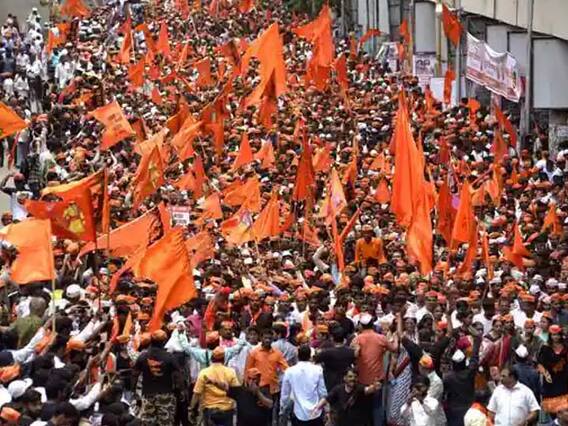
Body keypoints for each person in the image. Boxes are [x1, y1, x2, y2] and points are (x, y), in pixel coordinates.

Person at [351, 313, 398, 426]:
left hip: (362, 380)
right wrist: (396, 337)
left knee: (364, 408)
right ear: (372, 325)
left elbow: (353, 356)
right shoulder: (381, 338)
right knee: (377, 407)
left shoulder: (357, 339)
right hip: (377, 379)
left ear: (361, 326)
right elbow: (394, 348)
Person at [132, 330, 182, 426]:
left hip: (147, 394)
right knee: (165, 422)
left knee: (147, 422)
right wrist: (180, 392)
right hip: (166, 395)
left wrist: (134, 391)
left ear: (151, 340)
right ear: (164, 342)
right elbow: (178, 377)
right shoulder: (170, 357)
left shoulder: (143, 357)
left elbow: (134, 375)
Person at [313, 368, 381, 426]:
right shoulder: (338, 389)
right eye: (350, 376)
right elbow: (326, 399)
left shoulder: (359, 388)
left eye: (355, 377)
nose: (353, 379)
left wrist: (374, 387)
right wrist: (317, 408)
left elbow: (368, 390)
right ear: (345, 378)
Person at [191, 346, 240, 426]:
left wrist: (191, 409)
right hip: (227, 411)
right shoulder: (231, 372)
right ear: (223, 359)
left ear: (211, 359)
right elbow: (237, 391)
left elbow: (196, 394)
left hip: (210, 411)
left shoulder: (204, 373)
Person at [280, 345, 327, 426]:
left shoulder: (290, 371)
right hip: (316, 412)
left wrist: (283, 408)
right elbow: (322, 392)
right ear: (310, 356)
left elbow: (285, 394)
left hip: (299, 412)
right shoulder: (318, 370)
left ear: (298, 356)